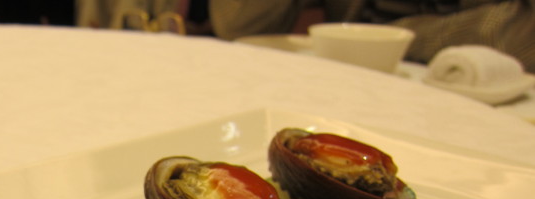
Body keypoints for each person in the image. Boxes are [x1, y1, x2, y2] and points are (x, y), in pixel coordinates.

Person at [208, 0, 535, 72]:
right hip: (347, 81)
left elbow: (523, 36)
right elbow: (237, 24)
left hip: (487, 94)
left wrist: (393, 38)